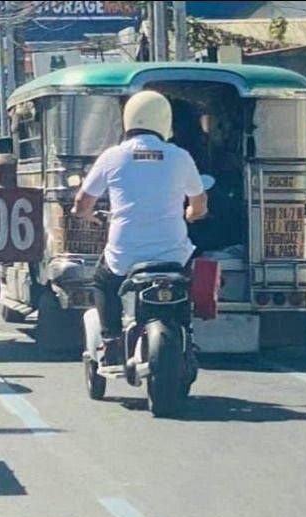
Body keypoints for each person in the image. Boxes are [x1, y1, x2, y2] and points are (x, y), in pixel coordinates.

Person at [71, 90, 209, 364]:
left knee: (102, 282)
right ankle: (186, 334)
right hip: (173, 254)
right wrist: (190, 214)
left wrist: (84, 215)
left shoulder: (113, 156)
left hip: (125, 256)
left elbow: (82, 202)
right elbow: (200, 203)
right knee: (185, 281)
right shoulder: (179, 156)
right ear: (164, 121)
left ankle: (111, 342)